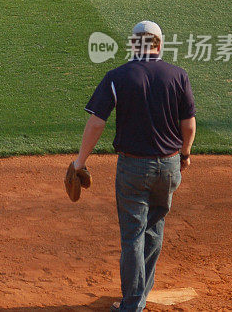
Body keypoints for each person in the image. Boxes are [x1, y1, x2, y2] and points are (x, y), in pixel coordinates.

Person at [72, 21, 196, 312]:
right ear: (160, 45)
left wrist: (81, 162)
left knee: (132, 236)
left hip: (133, 169)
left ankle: (131, 304)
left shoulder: (119, 76)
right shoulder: (178, 75)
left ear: (133, 45)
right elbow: (188, 124)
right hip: (169, 167)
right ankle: (140, 294)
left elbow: (97, 122)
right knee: (153, 229)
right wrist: (185, 155)